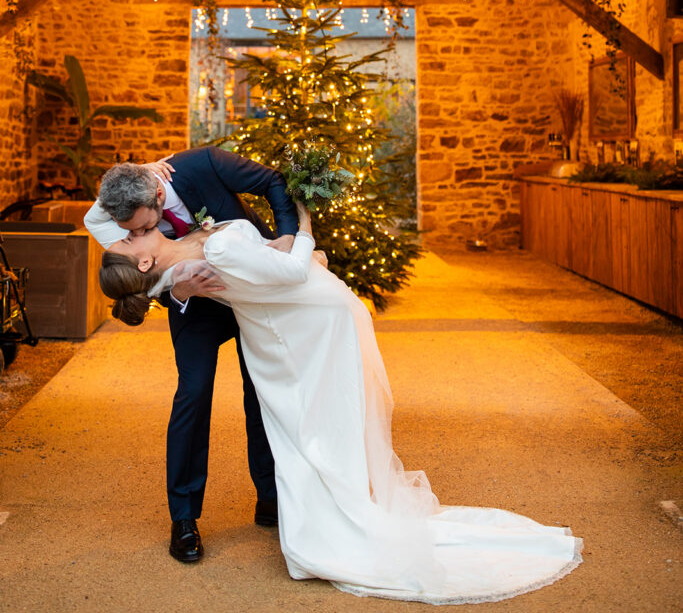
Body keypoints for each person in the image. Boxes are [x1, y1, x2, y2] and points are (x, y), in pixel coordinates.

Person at [99, 203, 583, 605]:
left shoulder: (173, 232)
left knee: (305, 422)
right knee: (306, 420)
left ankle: (282, 503)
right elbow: (286, 272)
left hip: (291, 325)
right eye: (125, 241)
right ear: (143, 263)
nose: (120, 234)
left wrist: (279, 255)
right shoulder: (196, 260)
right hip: (304, 323)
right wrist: (304, 227)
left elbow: (250, 263)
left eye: (124, 235)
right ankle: (303, 514)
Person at [84, 146, 300, 564]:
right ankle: (183, 518)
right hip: (191, 302)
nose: (137, 234)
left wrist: (287, 238)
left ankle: (272, 499)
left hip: (253, 290)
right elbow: (132, 273)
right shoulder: (120, 217)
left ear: (159, 196)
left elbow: (273, 181)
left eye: (144, 225)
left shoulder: (202, 164)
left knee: (263, 390)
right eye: (130, 231)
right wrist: (177, 290)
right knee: (193, 394)